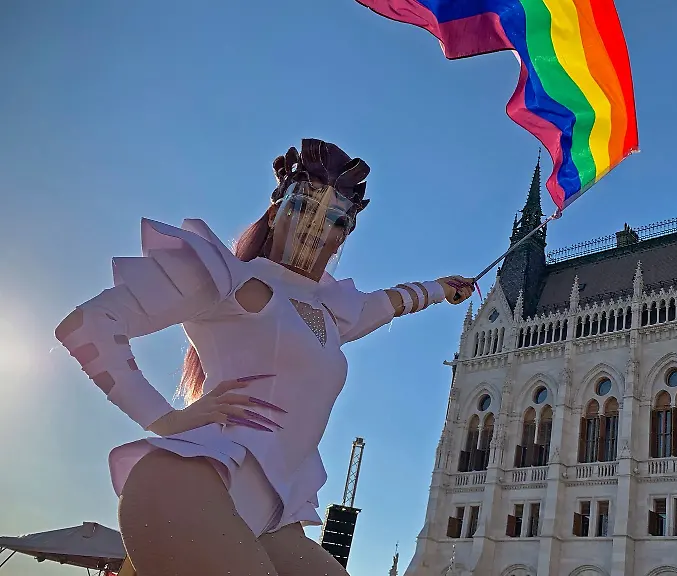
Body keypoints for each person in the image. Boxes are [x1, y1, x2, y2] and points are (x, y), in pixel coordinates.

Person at [55, 139, 475, 576]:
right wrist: (164, 418)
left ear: (344, 235)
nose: (317, 226)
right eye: (303, 207)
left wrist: (444, 289)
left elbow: (395, 300)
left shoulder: (335, 314)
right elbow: (89, 323)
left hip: (274, 521)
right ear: (274, 213)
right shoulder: (227, 278)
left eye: (335, 219)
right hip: (186, 490)